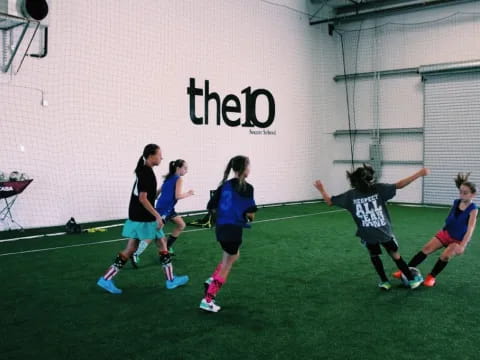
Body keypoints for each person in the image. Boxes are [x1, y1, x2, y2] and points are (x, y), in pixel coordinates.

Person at [314, 164, 428, 290]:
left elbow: (330, 201)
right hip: (384, 232)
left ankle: (385, 282)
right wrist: (419, 174)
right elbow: (399, 185)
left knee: (375, 256)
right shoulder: (377, 189)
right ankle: (411, 280)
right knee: (395, 255)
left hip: (367, 235)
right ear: (369, 179)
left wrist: (321, 189)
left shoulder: (351, 195)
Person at [96, 144, 189, 294]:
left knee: (135, 248)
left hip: (137, 216)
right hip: (143, 218)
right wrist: (158, 216)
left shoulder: (145, 171)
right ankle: (170, 281)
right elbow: (143, 198)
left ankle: (106, 279)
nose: (161, 157)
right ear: (151, 156)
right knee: (161, 245)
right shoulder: (146, 173)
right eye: (159, 154)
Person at [393, 173, 477, 287]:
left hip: (458, 239)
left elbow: (471, 228)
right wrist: (445, 227)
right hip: (446, 233)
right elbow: (451, 215)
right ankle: (405, 270)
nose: (462, 195)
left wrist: (463, 245)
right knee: (426, 249)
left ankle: (431, 277)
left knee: (445, 256)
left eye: (465, 193)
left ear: (473, 195)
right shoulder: (456, 202)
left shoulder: (473, 209)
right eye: (460, 192)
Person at [200, 156, 257, 312]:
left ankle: (211, 280)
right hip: (233, 230)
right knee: (227, 265)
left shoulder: (224, 185)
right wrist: (244, 215)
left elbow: (210, 206)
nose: (250, 169)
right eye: (249, 166)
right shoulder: (247, 188)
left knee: (233, 256)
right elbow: (251, 214)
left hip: (222, 228)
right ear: (244, 169)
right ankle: (208, 300)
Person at [131, 159, 194, 266]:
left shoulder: (168, 179)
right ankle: (136, 253)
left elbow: (156, 194)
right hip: (165, 210)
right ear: (178, 168)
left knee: (181, 224)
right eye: (185, 168)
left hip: (168, 209)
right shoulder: (178, 179)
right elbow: (177, 196)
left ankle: (168, 247)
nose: (186, 171)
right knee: (153, 233)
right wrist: (188, 193)